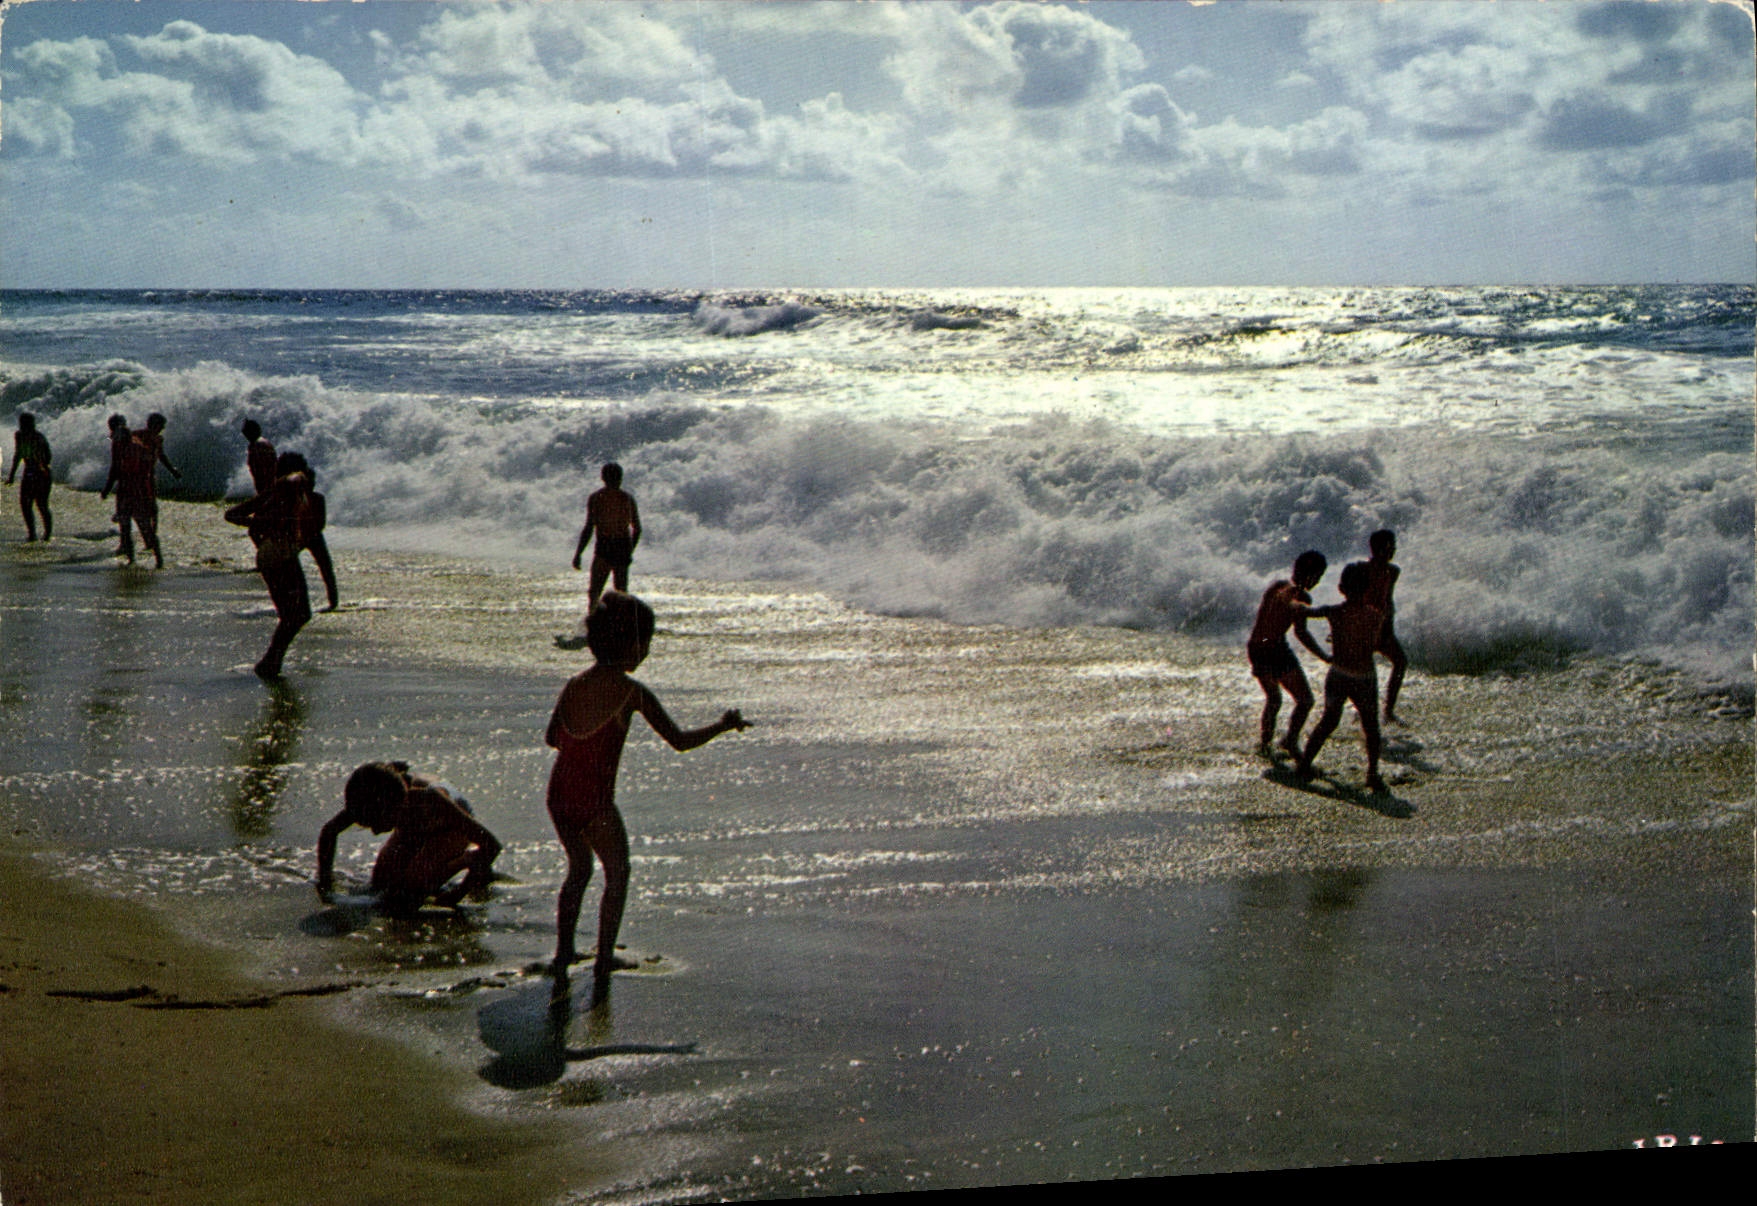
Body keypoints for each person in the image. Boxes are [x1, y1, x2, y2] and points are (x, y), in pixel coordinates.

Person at [544, 590, 746, 984]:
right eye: (647, 643)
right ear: (633, 646)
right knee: (617, 873)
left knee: (579, 870)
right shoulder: (631, 692)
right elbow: (680, 741)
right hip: (595, 802)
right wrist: (722, 725)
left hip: (559, 796)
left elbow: (553, 737)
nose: (647, 650)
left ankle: (564, 951)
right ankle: (603, 958)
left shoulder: (572, 684)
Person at [316, 761, 501, 917]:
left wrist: (458, 893)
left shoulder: (429, 800)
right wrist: (325, 881)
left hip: (450, 828)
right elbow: (330, 831)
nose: (374, 832)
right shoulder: (368, 800)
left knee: (408, 895)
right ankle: (432, 874)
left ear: (393, 806)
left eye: (376, 824)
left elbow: (491, 845)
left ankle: (465, 860)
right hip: (415, 824)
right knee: (380, 884)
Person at [1297, 561, 1387, 794]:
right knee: (1371, 727)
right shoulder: (1376, 616)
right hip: (1364, 678)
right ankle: (1372, 774)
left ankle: (1305, 764)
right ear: (1367, 589)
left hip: (1338, 676)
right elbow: (1374, 644)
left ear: (1341, 588)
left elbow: (1305, 611)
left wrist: (1292, 600)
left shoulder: (1333, 611)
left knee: (1328, 721)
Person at [224, 451, 313, 678]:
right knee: (299, 613)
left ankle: (271, 661)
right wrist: (268, 523)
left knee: (293, 614)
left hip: (271, 553)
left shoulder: (274, 492)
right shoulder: (292, 483)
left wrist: (262, 523)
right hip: (279, 554)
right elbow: (232, 515)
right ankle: (270, 661)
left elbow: (233, 515)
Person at [1247, 550, 1330, 756]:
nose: (1317, 582)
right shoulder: (1300, 596)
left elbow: (1266, 616)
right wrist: (1324, 656)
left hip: (1255, 647)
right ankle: (1290, 741)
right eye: (1318, 577)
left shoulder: (1276, 585)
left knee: (1273, 699)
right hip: (1274, 649)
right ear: (1310, 575)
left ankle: (1265, 744)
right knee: (1305, 701)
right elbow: (1301, 633)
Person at [571, 463, 642, 618]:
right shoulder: (627, 499)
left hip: (606, 546)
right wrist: (629, 551)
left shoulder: (597, 498)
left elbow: (589, 527)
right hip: (621, 546)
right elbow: (637, 529)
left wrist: (578, 554)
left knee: (596, 590)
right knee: (621, 592)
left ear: (603, 478)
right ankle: (620, 626)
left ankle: (593, 624)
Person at [1363, 529, 1408, 724]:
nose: (1393, 551)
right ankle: (1363, 712)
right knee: (1363, 674)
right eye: (1391, 547)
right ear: (1378, 549)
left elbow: (1387, 602)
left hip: (1385, 629)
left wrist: (1388, 627)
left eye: (1394, 547)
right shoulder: (1363, 571)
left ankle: (1388, 711)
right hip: (1364, 630)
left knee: (1401, 662)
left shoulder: (1393, 571)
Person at [5, 413, 53, 542]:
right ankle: (32, 533)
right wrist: (11, 475)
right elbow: (18, 455)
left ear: (32, 425)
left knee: (41, 504)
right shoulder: (19, 436)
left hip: (42, 474)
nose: (24, 427)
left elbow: (48, 457)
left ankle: (47, 534)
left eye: (27, 425)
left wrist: (40, 465)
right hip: (29, 472)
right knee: (25, 503)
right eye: (22, 424)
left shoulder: (39, 438)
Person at [301, 465, 340, 611]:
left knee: (326, 569)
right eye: (307, 481)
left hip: (314, 536)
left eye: (312, 481)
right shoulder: (294, 499)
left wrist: (310, 533)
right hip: (299, 536)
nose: (311, 484)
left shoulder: (318, 498)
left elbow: (321, 523)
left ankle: (333, 602)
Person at [241, 418, 278, 496]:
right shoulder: (261, 443)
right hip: (268, 482)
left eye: (246, 432)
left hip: (266, 483)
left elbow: (264, 467)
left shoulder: (258, 445)